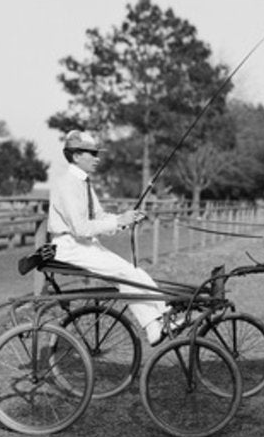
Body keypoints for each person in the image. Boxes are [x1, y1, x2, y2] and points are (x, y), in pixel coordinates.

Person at [47, 130, 181, 345]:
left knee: (133, 272)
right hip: (70, 246)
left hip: (85, 245)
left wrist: (125, 218)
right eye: (92, 153)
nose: (97, 158)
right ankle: (155, 324)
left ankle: (163, 317)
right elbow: (81, 228)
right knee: (124, 273)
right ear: (76, 156)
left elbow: (98, 217)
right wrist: (119, 222)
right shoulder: (67, 184)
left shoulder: (83, 182)